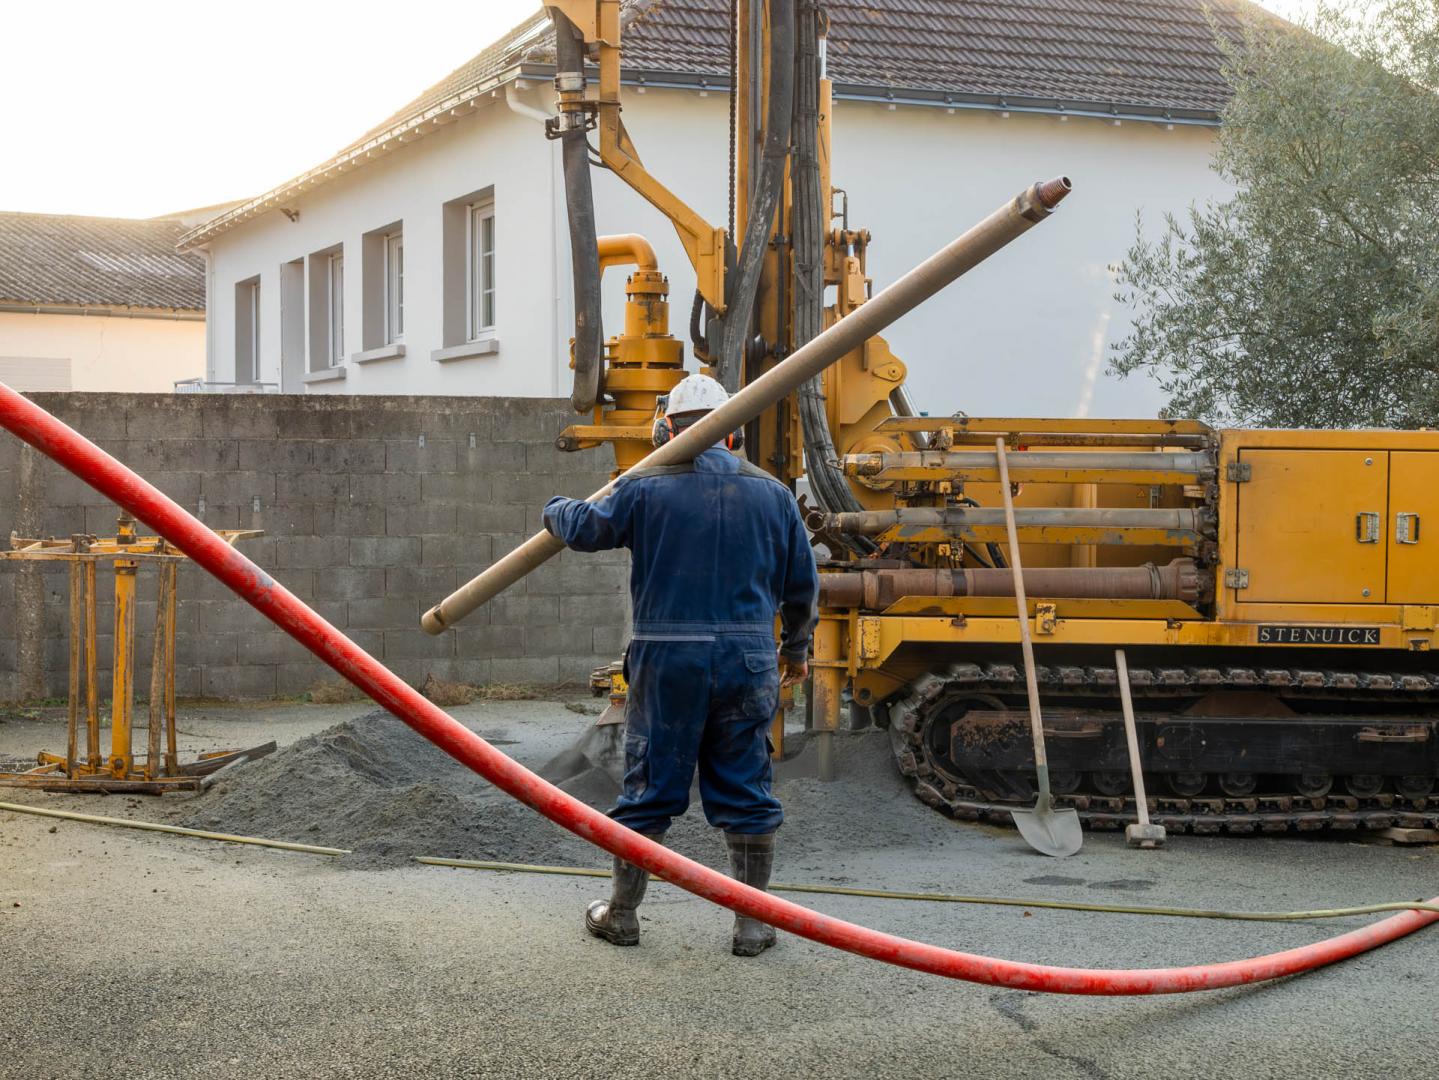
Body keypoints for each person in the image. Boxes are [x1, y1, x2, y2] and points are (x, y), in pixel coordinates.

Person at [543, 372, 818, 957]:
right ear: (733, 433)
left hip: (668, 659)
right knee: (746, 788)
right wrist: (795, 649)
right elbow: (802, 585)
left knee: (650, 788)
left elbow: (587, 529)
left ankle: (621, 915)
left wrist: (555, 509)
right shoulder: (773, 495)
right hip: (747, 660)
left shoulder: (644, 485)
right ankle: (751, 925)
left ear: (666, 429)